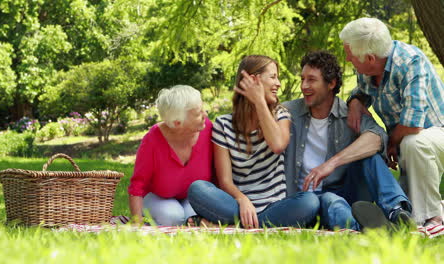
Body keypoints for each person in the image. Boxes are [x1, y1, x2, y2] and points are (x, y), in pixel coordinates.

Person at [281, 50, 412, 231]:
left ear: (331, 83)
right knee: (331, 201)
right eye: (302, 79)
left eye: (311, 80)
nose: (304, 86)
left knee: (370, 157)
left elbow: (377, 138)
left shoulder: (348, 114)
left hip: (345, 192)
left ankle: (397, 212)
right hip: (302, 200)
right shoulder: (288, 112)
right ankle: (373, 229)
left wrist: (332, 163)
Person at [188, 55, 319, 228]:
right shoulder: (223, 125)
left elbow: (278, 145)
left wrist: (259, 101)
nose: (278, 83)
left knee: (310, 202)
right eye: (273, 77)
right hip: (236, 205)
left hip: (274, 207)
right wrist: (242, 200)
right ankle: (250, 223)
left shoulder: (281, 115)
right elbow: (225, 181)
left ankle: (233, 225)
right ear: (253, 80)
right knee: (198, 189)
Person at [340, 17, 444, 226]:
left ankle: (432, 217)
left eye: (349, 54)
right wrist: (354, 102)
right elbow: (360, 93)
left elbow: (414, 124)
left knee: (414, 143)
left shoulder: (410, 62)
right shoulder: (368, 70)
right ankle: (398, 212)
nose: (348, 58)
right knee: (374, 146)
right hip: (406, 139)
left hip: (435, 132)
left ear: (369, 57)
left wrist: (392, 143)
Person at [127, 85, 213, 226]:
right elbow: (138, 184)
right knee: (173, 216)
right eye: (198, 113)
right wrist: (136, 219)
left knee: (193, 217)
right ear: (177, 123)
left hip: (191, 196)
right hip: (158, 196)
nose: (205, 115)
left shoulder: (208, 129)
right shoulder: (153, 140)